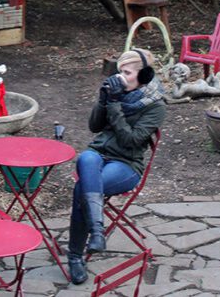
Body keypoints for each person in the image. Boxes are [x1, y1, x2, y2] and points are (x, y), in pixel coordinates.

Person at [66, 48, 166, 284]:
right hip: (98, 155)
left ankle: (75, 255)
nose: (120, 77)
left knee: (82, 189)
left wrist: (114, 105)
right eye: (120, 71)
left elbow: (130, 140)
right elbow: (94, 127)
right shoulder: (117, 92)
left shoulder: (156, 106)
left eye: (127, 73)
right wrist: (104, 100)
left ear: (144, 75)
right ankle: (97, 233)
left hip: (126, 164)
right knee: (85, 158)